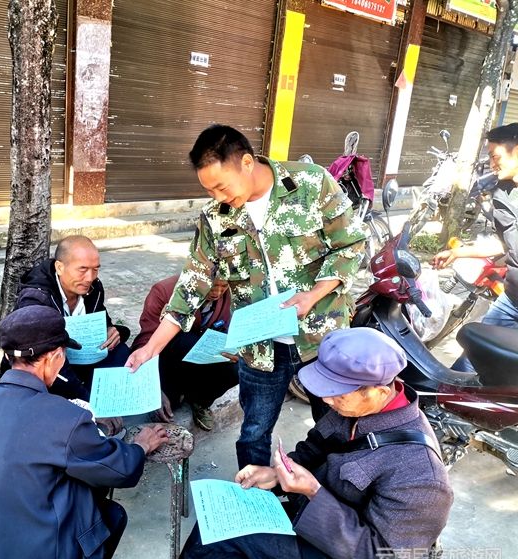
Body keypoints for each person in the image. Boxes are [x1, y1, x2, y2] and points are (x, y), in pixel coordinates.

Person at [112, 328, 453, 559]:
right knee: (226, 525)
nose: (327, 400)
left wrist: (314, 493)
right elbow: (314, 446)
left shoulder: (422, 477)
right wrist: (276, 473)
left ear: (380, 391)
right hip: (320, 528)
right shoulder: (354, 409)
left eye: (338, 393)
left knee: (226, 533)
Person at [126, 124, 367, 468]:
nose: (218, 197)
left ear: (248, 163)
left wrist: (313, 294)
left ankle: (327, 494)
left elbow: (351, 243)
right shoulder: (215, 217)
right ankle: (253, 495)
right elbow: (191, 285)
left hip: (321, 337)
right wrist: (151, 349)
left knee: (336, 426)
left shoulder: (311, 184)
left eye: (222, 186)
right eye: (209, 190)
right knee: (253, 432)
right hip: (259, 346)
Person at [0, 305, 169, 559]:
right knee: (107, 511)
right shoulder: (65, 418)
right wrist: (141, 445)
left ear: (9, 357)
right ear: (54, 357)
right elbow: (121, 470)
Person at [7, 234, 131, 434]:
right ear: (59, 267)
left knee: (121, 352)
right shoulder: (36, 298)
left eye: (95, 269)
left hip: (81, 358)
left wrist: (114, 331)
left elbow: (103, 321)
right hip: (49, 370)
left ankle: (114, 402)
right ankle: (87, 412)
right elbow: (41, 362)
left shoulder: (93, 289)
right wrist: (90, 406)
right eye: (82, 269)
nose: (90, 277)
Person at [432, 122, 518, 371]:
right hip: (512, 299)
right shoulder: (503, 193)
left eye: (495, 156)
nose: (491, 164)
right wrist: (458, 252)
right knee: (474, 355)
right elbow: (505, 243)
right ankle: (448, 395)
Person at [133, 276, 237, 430]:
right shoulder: (164, 291)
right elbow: (144, 342)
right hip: (168, 360)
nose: (217, 292)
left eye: (223, 286)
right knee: (169, 406)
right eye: (212, 286)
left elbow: (227, 329)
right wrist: (152, 387)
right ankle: (174, 390)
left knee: (239, 368)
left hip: (200, 360)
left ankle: (200, 400)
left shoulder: (228, 295)